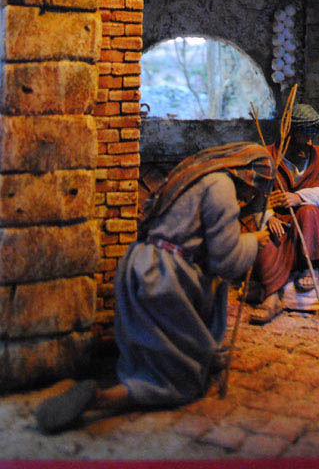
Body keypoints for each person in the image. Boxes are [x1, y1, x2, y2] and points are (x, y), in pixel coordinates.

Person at [35, 142, 274, 434]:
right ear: (248, 177)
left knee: (153, 348)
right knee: (176, 381)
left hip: (141, 264)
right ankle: (102, 399)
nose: (246, 200)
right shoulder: (222, 187)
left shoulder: (197, 174)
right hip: (165, 277)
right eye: (250, 193)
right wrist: (253, 241)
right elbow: (225, 259)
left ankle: (199, 357)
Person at [249, 103, 319, 324]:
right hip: (278, 221)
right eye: (304, 134)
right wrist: (269, 215)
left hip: (306, 227)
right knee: (268, 240)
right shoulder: (268, 156)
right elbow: (254, 195)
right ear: (289, 132)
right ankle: (271, 297)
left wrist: (299, 197)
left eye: (312, 135)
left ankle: (311, 269)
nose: (309, 141)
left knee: (310, 211)